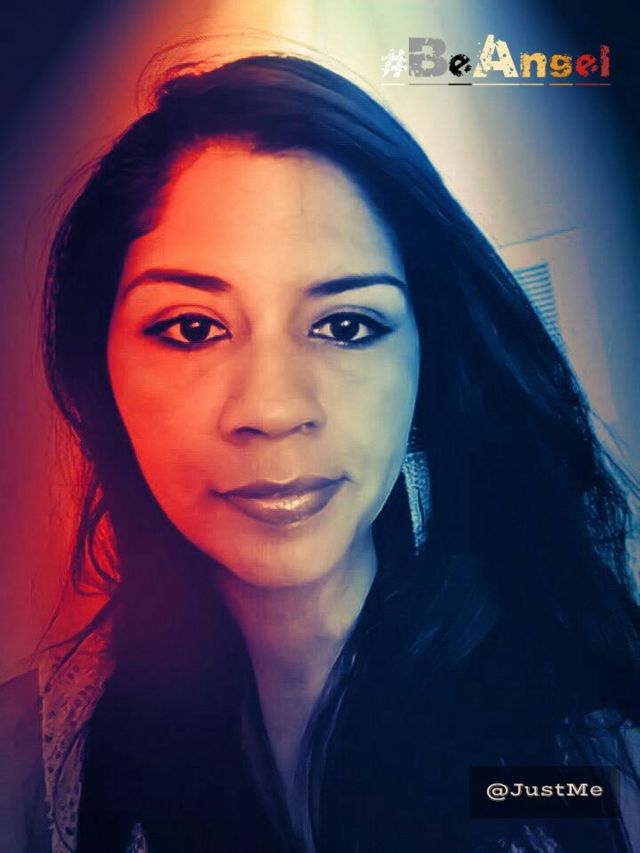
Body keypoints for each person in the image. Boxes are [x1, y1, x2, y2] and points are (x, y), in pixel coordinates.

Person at [2, 52, 640, 853]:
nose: (273, 410)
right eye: (193, 328)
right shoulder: (32, 761)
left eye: (346, 325)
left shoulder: (588, 748)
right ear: (103, 375)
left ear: (428, 371)